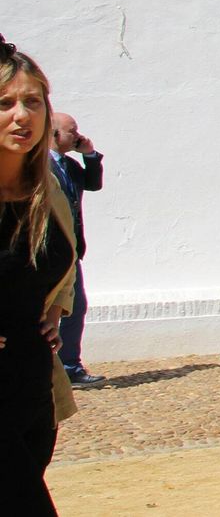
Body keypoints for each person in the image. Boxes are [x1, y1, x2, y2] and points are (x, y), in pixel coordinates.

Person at [0, 35, 79, 516]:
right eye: (5, 103)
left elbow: (63, 262)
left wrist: (56, 305)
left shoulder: (43, 190)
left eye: (33, 102)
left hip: (33, 391)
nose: (22, 115)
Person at [48, 111, 105, 389]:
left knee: (76, 306)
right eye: (73, 131)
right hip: (48, 250)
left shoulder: (69, 165)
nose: (78, 135)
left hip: (71, 250)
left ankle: (70, 365)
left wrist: (90, 154)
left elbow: (93, 184)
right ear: (55, 133)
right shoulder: (41, 164)